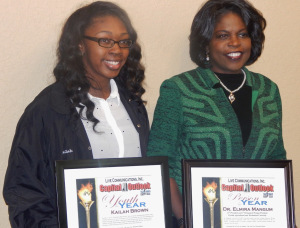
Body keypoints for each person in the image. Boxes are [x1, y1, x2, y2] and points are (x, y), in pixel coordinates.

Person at [3, 1, 149, 227]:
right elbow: (23, 193)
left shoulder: (133, 103)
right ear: (80, 44)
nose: (117, 49)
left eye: (123, 41)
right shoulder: (46, 110)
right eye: (105, 40)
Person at [147, 0, 286, 227]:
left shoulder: (268, 90)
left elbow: (277, 158)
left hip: (259, 219)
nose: (235, 43)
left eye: (242, 34)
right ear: (206, 44)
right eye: (222, 35)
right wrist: (185, 218)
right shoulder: (179, 89)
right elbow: (160, 161)